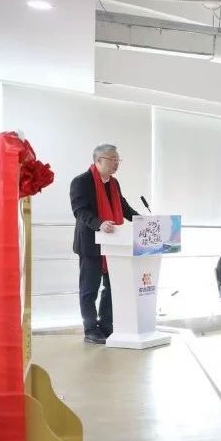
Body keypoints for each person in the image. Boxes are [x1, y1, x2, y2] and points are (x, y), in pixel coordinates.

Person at [70, 143, 139, 343]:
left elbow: (124, 208)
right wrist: (99, 224)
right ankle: (90, 330)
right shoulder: (81, 182)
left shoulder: (114, 183)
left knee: (112, 288)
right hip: (91, 245)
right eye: (112, 159)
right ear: (99, 160)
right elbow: (80, 210)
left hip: (115, 246)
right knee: (89, 290)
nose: (116, 163)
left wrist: (143, 221)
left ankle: (107, 326)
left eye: (118, 159)